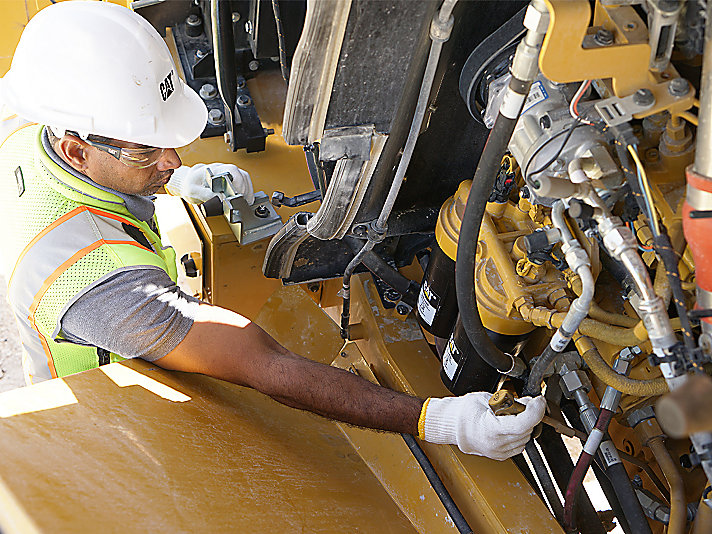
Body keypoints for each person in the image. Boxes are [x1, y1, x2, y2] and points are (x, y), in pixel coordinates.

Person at [0, 1, 544, 461]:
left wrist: (171, 180)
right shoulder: (97, 284)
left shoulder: (32, 121)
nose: (171, 156)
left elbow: (110, 171)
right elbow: (262, 363)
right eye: (148, 149)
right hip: (108, 420)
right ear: (77, 147)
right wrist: (439, 422)